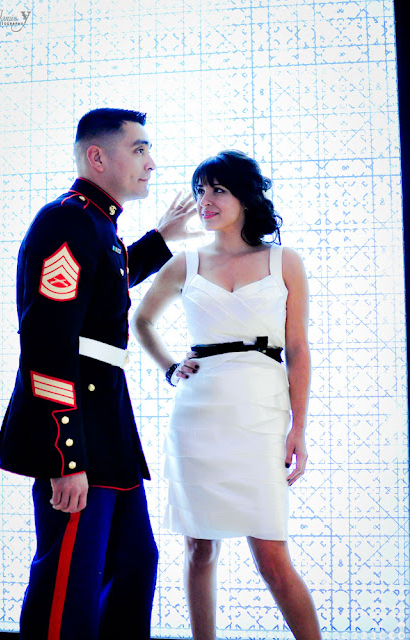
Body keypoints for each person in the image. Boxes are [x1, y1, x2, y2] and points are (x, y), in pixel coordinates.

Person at [0, 107, 199, 640]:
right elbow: (47, 344)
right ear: (97, 157)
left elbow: (108, 278)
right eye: (139, 149)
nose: (151, 162)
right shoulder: (66, 221)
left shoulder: (96, 224)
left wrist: (162, 238)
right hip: (77, 430)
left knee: (132, 565)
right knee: (71, 583)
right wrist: (66, 458)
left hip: (107, 423)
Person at [132, 150, 322, 640]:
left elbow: (298, 349)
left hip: (262, 411)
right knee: (199, 548)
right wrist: (170, 367)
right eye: (201, 190)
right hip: (198, 414)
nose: (206, 200)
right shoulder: (186, 262)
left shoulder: (284, 260)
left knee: (272, 556)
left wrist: (299, 428)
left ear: (245, 196)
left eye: (218, 189)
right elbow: (141, 320)